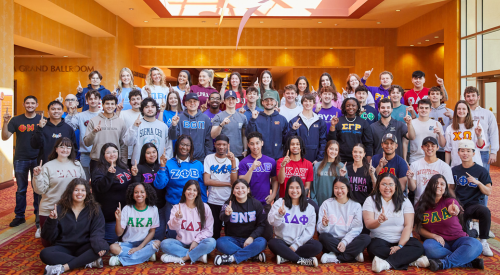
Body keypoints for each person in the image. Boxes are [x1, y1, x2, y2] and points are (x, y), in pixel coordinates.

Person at [414, 174, 484, 271]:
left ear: (445, 188)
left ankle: (443, 264)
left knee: (476, 245)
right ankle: (468, 261)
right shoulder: (420, 206)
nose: (439, 186)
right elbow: (418, 228)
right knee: (428, 246)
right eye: (436, 183)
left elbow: (455, 206)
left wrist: (455, 209)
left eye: (442, 184)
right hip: (439, 242)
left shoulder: (449, 201)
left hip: (459, 239)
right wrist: (434, 236)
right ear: (430, 185)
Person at [39, 179, 108, 274]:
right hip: (63, 247)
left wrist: (99, 245)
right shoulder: (59, 209)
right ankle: (87, 261)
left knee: (104, 246)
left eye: (83, 190)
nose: (80, 193)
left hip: (84, 246)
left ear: (87, 192)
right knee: (45, 254)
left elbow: (97, 231)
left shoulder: (94, 208)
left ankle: (64, 267)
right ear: (70, 191)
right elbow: (48, 236)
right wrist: (51, 220)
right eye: (76, 190)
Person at [363, 173, 426, 272]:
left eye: (391, 184)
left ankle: (386, 263)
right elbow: (368, 224)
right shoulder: (370, 200)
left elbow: (408, 226)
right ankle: (411, 261)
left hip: (402, 240)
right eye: (384, 184)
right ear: (378, 185)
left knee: (418, 247)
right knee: (373, 249)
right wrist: (378, 221)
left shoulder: (405, 201)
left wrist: (400, 246)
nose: (387, 187)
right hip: (380, 240)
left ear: (396, 186)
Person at [33, 137, 86, 247]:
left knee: (66, 242)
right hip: (50, 209)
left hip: (71, 210)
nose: (65, 149)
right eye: (62, 147)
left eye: (68, 147)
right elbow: (39, 190)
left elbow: (83, 186)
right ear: (56, 149)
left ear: (71, 149)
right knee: (47, 243)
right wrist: (37, 176)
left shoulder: (77, 165)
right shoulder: (48, 166)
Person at [154, 135, 207, 238]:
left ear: (191, 147)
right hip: (173, 204)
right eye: (182, 144)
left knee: (191, 234)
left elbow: (202, 187)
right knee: (173, 234)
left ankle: (188, 252)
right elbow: (160, 185)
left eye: (187, 145)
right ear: (177, 145)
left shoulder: (198, 164)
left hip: (193, 205)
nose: (184, 147)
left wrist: (203, 203)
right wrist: (162, 167)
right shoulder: (169, 163)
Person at [2, 96, 42, 229]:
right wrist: (5, 122)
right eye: (27, 103)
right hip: (21, 158)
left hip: (37, 159)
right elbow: (5, 137)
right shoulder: (16, 120)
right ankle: (19, 216)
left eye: (32, 103)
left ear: (36, 104)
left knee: (38, 189)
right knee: (21, 189)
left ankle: (38, 214)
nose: (30, 105)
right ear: (23, 104)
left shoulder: (42, 120)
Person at [451, 139, 493, 257]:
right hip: (459, 205)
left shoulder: (481, 170)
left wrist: (478, 183)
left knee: (485, 211)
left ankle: (484, 242)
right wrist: (455, 202)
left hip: (473, 205)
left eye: (468, 151)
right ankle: (473, 232)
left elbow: (488, 191)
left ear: (473, 153)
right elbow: (450, 188)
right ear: (458, 153)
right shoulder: (454, 170)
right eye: (462, 151)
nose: (465, 153)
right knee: (463, 236)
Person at [160, 180, 216, 264]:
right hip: (181, 243)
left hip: (198, 243)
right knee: (164, 244)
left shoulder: (205, 207)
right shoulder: (177, 207)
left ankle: (183, 257)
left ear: (197, 193)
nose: (191, 192)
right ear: (184, 192)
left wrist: (196, 241)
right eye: (189, 189)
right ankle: (197, 256)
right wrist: (177, 218)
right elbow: (171, 227)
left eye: (194, 190)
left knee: (212, 242)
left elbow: (209, 230)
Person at [268, 177, 321, 267]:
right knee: (272, 243)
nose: (294, 190)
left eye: (297, 187)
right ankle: (300, 260)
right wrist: (279, 215)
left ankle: (285, 257)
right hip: (283, 241)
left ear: (302, 189)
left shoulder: (310, 207)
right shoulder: (280, 203)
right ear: (287, 189)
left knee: (317, 246)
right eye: (291, 187)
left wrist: (296, 245)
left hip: (300, 243)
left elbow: (309, 231)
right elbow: (271, 222)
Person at [318, 177, 371, 264]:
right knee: (323, 237)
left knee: (366, 238)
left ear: (348, 189)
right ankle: (353, 255)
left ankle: (336, 257)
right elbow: (320, 230)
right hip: (332, 241)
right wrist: (324, 225)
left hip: (350, 241)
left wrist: (344, 242)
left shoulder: (356, 206)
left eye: (342, 188)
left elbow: (356, 229)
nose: (339, 191)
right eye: (336, 188)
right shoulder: (326, 204)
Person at [214, 179, 268, 265]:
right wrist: (226, 214)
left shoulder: (256, 204)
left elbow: (261, 225)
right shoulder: (228, 204)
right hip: (232, 240)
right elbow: (222, 218)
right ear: (233, 191)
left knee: (262, 242)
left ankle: (232, 258)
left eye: (243, 188)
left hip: (250, 240)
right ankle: (252, 255)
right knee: (219, 242)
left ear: (248, 190)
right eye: (237, 188)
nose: (240, 190)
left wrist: (251, 238)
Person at [108, 182, 160, 266]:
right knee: (113, 247)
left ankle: (121, 260)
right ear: (132, 195)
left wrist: (140, 247)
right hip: (128, 244)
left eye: (142, 192)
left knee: (157, 243)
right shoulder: (127, 208)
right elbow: (119, 233)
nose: (139, 194)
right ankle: (146, 256)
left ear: (147, 194)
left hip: (144, 243)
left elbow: (152, 232)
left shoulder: (153, 209)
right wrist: (118, 219)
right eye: (136, 192)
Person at [239, 132, 278, 240]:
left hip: (265, 202)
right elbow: (243, 183)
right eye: (252, 144)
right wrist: (251, 169)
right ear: (248, 145)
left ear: (262, 143)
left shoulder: (270, 161)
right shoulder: (244, 162)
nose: (255, 146)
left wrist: (273, 195)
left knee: (268, 234)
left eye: (257, 143)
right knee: (249, 232)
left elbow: (275, 180)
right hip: (248, 203)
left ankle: (263, 252)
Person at [91, 143, 133, 244]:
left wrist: (135, 175)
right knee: (111, 243)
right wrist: (109, 175)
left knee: (125, 241)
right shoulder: (99, 169)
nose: (112, 154)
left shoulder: (122, 166)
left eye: (114, 151)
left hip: (125, 212)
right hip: (110, 214)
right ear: (103, 155)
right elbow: (99, 188)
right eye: (108, 152)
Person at [203, 134, 239, 239]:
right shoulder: (209, 158)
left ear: (228, 145)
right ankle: (213, 252)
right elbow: (207, 181)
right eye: (218, 144)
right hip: (213, 200)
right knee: (214, 231)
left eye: (224, 144)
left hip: (230, 200)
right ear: (215, 145)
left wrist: (232, 163)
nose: (221, 147)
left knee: (230, 230)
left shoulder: (234, 160)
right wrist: (227, 184)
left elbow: (234, 181)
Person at [131, 143, 167, 241]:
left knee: (159, 235)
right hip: (145, 207)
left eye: (154, 152)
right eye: (148, 153)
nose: (152, 155)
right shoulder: (139, 167)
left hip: (160, 206)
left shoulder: (162, 166)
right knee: (145, 235)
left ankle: (154, 251)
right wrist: (134, 175)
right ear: (143, 154)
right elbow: (136, 187)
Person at [84, 94, 128, 171]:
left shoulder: (121, 122)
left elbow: (123, 144)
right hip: (97, 160)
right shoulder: (93, 121)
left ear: (115, 106)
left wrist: (123, 162)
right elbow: (87, 143)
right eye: (107, 104)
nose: (109, 106)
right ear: (102, 105)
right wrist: (94, 132)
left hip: (115, 161)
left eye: (112, 104)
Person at [124, 97, 173, 164]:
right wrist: (134, 127)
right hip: (139, 165)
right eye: (147, 107)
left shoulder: (163, 126)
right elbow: (127, 142)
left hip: (158, 165)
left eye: (152, 107)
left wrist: (165, 161)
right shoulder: (137, 124)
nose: (150, 109)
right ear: (142, 110)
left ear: (156, 109)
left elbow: (169, 147)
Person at [65, 90, 101, 179]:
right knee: (85, 182)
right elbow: (68, 129)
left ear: (99, 100)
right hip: (85, 154)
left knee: (99, 181)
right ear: (87, 101)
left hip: (101, 153)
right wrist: (70, 113)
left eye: (95, 98)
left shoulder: (104, 115)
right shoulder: (80, 116)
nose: (93, 101)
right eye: (90, 99)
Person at [407, 136, 454, 205]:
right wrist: (410, 179)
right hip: (420, 204)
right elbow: (412, 188)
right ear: (422, 147)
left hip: (438, 204)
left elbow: (447, 188)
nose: (429, 148)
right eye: (426, 145)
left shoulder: (444, 166)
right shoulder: (415, 165)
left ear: (437, 148)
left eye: (433, 145)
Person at [168, 93, 213, 162]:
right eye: (189, 101)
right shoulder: (179, 118)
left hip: (200, 159)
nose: (192, 103)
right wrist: (174, 125)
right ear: (185, 103)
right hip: (182, 157)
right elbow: (172, 137)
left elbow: (208, 140)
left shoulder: (205, 118)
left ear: (198, 103)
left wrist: (208, 157)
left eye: (194, 101)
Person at [327, 97, 374, 163]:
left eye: (353, 105)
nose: (351, 107)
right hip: (340, 159)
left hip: (358, 158)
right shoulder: (338, 121)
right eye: (348, 106)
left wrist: (368, 161)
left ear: (357, 107)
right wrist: (333, 125)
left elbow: (368, 143)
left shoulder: (363, 122)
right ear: (344, 107)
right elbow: (332, 140)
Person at [464, 86, 498, 173]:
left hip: (483, 152)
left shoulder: (488, 114)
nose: (471, 98)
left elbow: (493, 133)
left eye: (473, 95)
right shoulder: (461, 113)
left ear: (478, 97)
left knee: (483, 178)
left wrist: (494, 151)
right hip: (465, 150)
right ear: (465, 98)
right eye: (468, 96)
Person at [246, 92, 288, 160]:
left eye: (271, 100)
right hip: (259, 158)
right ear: (262, 102)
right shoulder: (256, 118)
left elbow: (286, 139)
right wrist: (253, 120)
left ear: (275, 102)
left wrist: (293, 130)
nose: (269, 102)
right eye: (266, 100)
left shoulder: (282, 119)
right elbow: (248, 135)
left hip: (277, 158)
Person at [286, 94, 327, 163]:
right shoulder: (294, 121)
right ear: (302, 103)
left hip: (315, 160)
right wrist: (293, 130)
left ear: (314, 103)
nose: (308, 103)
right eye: (305, 101)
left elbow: (323, 142)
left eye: (310, 101)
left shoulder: (320, 122)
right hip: (297, 160)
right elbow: (287, 141)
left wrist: (319, 159)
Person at [444, 100, 485, 167]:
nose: (461, 111)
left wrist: (478, 136)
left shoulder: (475, 125)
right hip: (456, 165)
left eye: (464, 109)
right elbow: (448, 150)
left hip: (474, 164)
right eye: (459, 109)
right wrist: (446, 166)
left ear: (468, 111)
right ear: (456, 111)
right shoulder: (450, 128)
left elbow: (481, 146)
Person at [211, 91, 248, 159]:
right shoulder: (218, 116)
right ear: (224, 101)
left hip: (239, 154)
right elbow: (213, 135)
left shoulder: (243, 117)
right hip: (223, 153)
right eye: (228, 99)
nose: (231, 101)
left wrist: (245, 149)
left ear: (236, 101)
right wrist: (221, 125)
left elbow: (244, 135)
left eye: (233, 99)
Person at [311, 140, 348, 207]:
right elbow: (312, 188)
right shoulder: (317, 166)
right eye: (331, 149)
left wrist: (342, 176)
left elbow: (346, 188)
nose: (333, 152)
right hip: (319, 203)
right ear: (326, 149)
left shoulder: (342, 167)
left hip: (336, 205)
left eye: (336, 150)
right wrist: (315, 204)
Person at [409, 99, 446, 164]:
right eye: (421, 108)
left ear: (430, 110)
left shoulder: (436, 124)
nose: (424, 110)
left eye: (426, 108)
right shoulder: (411, 123)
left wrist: (440, 134)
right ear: (417, 109)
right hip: (414, 159)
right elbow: (405, 143)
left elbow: (442, 145)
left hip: (432, 159)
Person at [118, 89, 143, 165]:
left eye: (138, 99)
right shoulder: (123, 113)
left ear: (141, 100)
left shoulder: (146, 114)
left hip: (142, 153)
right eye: (133, 99)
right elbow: (118, 129)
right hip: (127, 153)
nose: (136, 101)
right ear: (130, 102)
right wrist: (118, 111)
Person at [429, 86, 454, 161]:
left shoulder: (449, 111)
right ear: (428, 96)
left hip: (444, 148)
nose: (435, 95)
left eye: (437, 94)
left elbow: (455, 128)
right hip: (429, 147)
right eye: (432, 94)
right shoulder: (426, 111)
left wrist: (451, 118)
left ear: (441, 96)